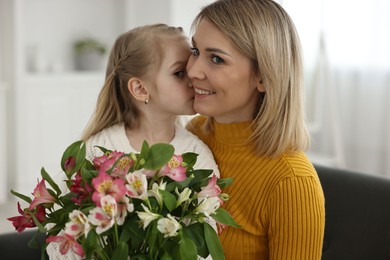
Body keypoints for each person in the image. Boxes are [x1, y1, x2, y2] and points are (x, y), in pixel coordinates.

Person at [47, 23, 219, 260]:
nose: (193, 77)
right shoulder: (97, 150)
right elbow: (61, 236)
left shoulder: (197, 155)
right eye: (179, 72)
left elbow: (204, 245)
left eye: (190, 67)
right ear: (139, 88)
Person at [186, 0, 325, 259]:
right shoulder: (195, 135)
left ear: (262, 76)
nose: (192, 71)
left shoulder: (292, 181)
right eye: (195, 51)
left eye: (216, 59)